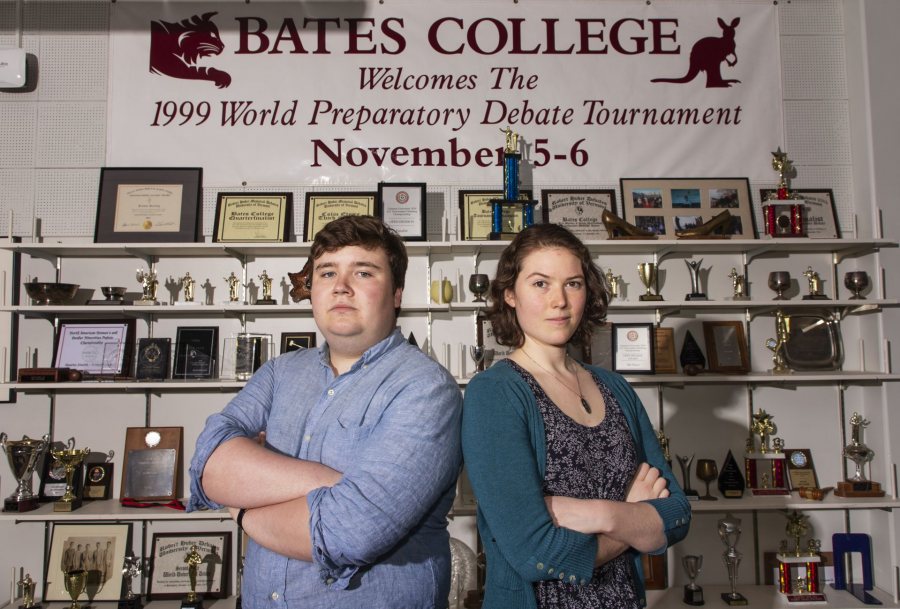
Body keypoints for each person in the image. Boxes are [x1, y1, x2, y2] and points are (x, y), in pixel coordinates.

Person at [188, 215, 463, 609]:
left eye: (364, 272)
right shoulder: (280, 372)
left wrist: (242, 507)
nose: (341, 287)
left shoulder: (427, 389)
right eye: (327, 272)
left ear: (397, 293)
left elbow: (348, 533)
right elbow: (208, 463)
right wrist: (332, 484)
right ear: (313, 289)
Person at [461, 224, 691, 609]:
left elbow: (678, 515)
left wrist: (596, 513)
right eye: (540, 283)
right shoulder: (495, 393)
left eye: (573, 283)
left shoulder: (615, 388)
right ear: (510, 295)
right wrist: (633, 518)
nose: (560, 301)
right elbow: (536, 553)